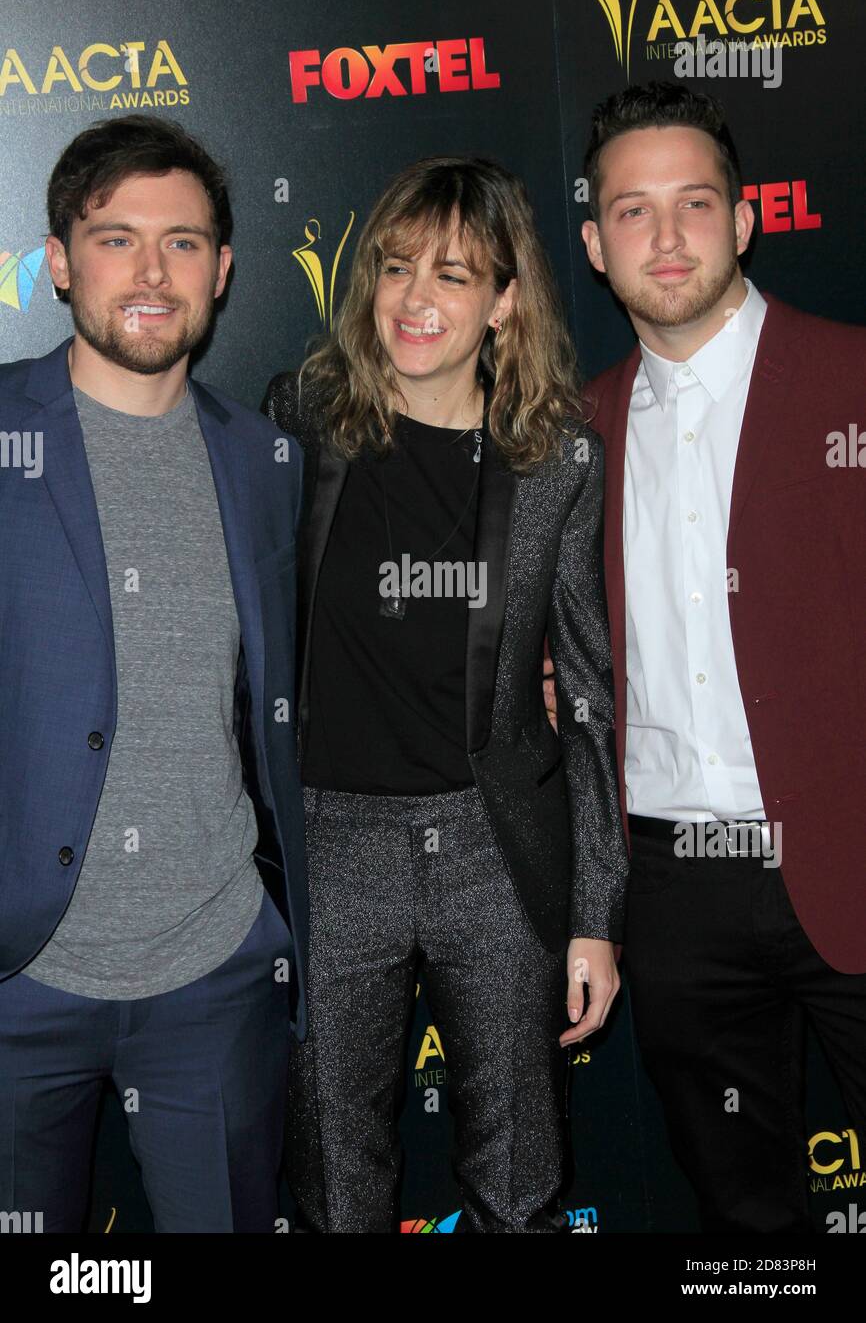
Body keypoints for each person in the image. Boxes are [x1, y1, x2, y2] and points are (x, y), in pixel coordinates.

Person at [264, 155, 628, 1232]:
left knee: (518, 1175)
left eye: (454, 275)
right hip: (332, 839)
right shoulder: (303, 418)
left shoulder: (557, 459)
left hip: (493, 846)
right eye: (394, 267)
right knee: (334, 1172)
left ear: (505, 303)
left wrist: (595, 915)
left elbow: (592, 688)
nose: (415, 299)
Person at [0, 114, 307, 1232]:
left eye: (182, 242)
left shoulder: (266, 459)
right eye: (116, 237)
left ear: (222, 270)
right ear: (61, 259)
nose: (150, 270)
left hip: (214, 972)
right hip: (16, 977)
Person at [570, 80, 866, 1231]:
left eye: (693, 202)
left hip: (848, 846)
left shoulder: (850, 382)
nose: (666, 234)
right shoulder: (575, 434)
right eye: (632, 211)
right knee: (744, 1212)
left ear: (743, 220)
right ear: (595, 245)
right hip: (675, 887)